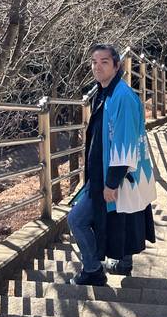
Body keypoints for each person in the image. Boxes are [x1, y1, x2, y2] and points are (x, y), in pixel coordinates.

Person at [67, 43, 157, 285]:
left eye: (104, 62)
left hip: (113, 174)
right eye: (94, 62)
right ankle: (123, 263)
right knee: (124, 216)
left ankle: (93, 270)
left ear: (117, 65)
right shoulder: (105, 91)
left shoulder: (122, 97)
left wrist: (111, 182)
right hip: (106, 172)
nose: (98, 67)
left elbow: (125, 144)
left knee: (77, 219)